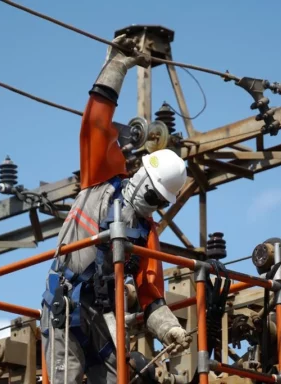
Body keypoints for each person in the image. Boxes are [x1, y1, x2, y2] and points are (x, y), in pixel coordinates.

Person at [40, 34, 193, 383]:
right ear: (140, 175)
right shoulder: (100, 183)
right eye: (149, 192)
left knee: (115, 377)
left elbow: (151, 296)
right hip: (64, 305)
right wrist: (118, 65)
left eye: (157, 201)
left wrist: (170, 329)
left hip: (101, 316)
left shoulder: (146, 234)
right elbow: (95, 122)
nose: (149, 202)